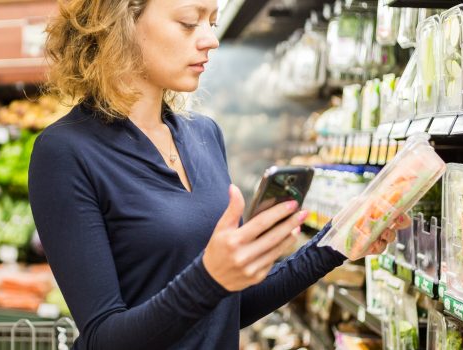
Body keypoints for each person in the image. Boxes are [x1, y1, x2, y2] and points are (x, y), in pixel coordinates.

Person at [28, 0, 410, 349]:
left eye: (211, 22)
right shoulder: (66, 152)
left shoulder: (204, 135)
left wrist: (335, 243)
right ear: (121, 22)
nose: (210, 39)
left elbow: (227, 308)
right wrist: (209, 276)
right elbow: (102, 338)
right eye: (189, 23)